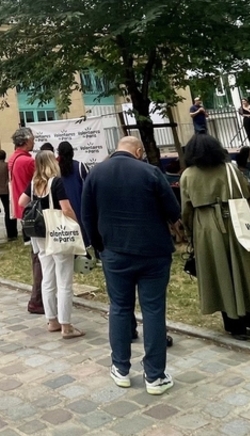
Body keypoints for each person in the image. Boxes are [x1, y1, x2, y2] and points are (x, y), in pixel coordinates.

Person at [82, 136, 180, 395]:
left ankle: (121, 369)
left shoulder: (96, 174)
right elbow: (174, 210)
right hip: (154, 252)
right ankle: (155, 375)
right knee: (154, 310)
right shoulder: (151, 172)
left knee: (120, 308)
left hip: (115, 252)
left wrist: (98, 244)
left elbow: (87, 214)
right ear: (138, 151)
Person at [180, 135, 250, 341]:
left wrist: (190, 234)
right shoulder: (230, 169)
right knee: (245, 272)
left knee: (220, 273)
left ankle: (235, 324)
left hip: (206, 227)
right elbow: (248, 194)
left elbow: (186, 210)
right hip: (235, 222)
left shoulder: (188, 175)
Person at [19, 151, 84, 339]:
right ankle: (66, 325)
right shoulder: (56, 182)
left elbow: (21, 202)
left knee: (47, 277)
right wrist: (76, 224)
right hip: (57, 233)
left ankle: (52, 320)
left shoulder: (33, 184)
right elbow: (66, 209)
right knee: (64, 280)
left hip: (39, 235)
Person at [8, 127, 44, 315]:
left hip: (24, 211)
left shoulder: (13, 158)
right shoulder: (28, 161)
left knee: (36, 255)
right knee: (40, 257)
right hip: (34, 212)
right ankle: (37, 299)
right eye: (32, 139)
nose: (34, 142)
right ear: (26, 140)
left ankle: (39, 297)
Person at [56, 141, 89, 251]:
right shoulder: (80, 166)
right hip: (79, 204)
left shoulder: (55, 169)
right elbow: (88, 187)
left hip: (62, 204)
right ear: (72, 152)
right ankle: (85, 244)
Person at [0, 149, 16, 240]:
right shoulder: (7, 166)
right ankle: (12, 232)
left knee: (6, 210)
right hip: (8, 189)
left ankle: (10, 233)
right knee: (11, 210)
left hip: (0, 189)